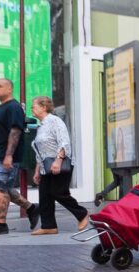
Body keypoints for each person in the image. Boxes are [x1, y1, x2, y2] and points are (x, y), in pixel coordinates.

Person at [0, 78, 39, 236]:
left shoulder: (13, 107)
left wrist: (8, 156)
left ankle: (0, 225)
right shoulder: (2, 107)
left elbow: (16, 131)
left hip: (4, 155)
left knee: (0, 188)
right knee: (1, 187)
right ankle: (32, 208)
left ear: (10, 89)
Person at [30, 96, 89, 235]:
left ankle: (82, 214)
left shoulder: (54, 121)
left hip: (60, 163)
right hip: (46, 166)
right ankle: (48, 226)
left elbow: (64, 142)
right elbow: (40, 152)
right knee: (44, 195)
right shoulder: (41, 126)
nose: (32, 108)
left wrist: (58, 160)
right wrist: (37, 171)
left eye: (34, 106)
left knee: (58, 192)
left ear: (44, 107)